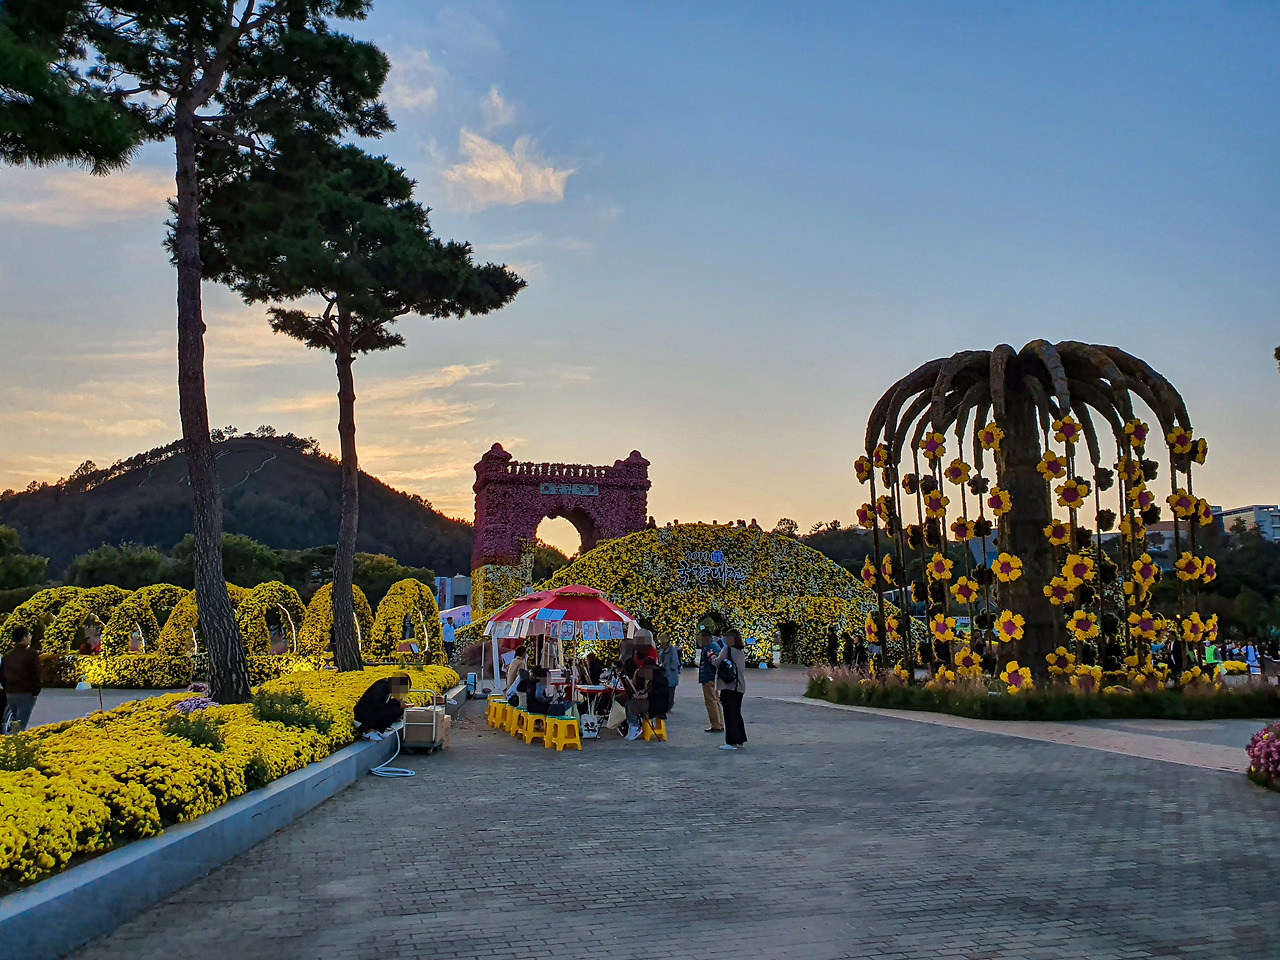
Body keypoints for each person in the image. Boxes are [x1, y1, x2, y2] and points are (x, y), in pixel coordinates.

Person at [712, 628, 747, 750]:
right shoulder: (740, 651)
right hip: (740, 685)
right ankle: (740, 739)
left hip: (729, 685)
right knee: (737, 713)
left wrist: (711, 657)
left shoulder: (727, 649)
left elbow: (718, 662)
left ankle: (731, 742)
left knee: (729, 713)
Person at [2, 627, 41, 733]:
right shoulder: (32, 654)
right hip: (26, 693)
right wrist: (35, 691)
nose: (30, 637)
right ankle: (14, 746)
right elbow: (37, 674)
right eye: (29, 635)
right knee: (20, 725)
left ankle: (11, 742)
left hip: (11, 693)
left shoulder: (7, 655)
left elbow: (2, 676)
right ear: (24, 637)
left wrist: (7, 688)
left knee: (15, 722)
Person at [353, 674, 409, 742]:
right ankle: (368, 733)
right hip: (362, 720)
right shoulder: (382, 685)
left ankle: (377, 731)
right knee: (393, 709)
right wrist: (397, 703)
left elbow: (383, 704)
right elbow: (377, 704)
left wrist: (397, 702)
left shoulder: (388, 687)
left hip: (369, 716)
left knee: (398, 709)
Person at [696, 628, 724, 734]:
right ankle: (719, 723)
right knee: (715, 700)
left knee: (710, 701)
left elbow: (714, 662)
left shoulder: (710, 647)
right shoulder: (713, 645)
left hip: (709, 677)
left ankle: (716, 724)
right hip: (712, 677)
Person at [658, 633, 681, 708]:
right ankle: (666, 705)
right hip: (665, 674)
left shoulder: (672, 649)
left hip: (671, 674)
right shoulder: (662, 650)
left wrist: (670, 668)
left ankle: (669, 705)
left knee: (670, 692)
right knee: (666, 691)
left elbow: (675, 661)